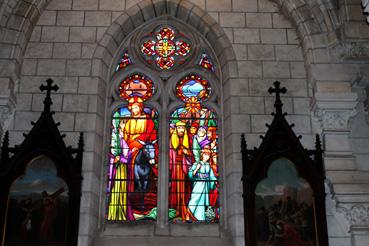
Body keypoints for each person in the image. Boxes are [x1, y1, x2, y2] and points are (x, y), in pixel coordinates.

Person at [122, 96, 158, 216]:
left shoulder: (147, 119)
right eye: (133, 108)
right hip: (130, 148)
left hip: (145, 146)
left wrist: (140, 143)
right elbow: (126, 136)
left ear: (141, 108)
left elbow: (151, 134)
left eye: (136, 107)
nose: (134, 109)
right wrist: (131, 145)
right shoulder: (129, 121)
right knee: (129, 163)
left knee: (152, 161)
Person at [108, 116, 133, 221]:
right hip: (115, 167)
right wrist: (116, 157)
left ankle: (120, 213)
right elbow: (112, 151)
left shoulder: (121, 137)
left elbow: (126, 152)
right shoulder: (113, 136)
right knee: (116, 188)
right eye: (123, 123)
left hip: (121, 166)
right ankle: (114, 214)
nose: (125, 125)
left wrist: (125, 156)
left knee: (121, 189)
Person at [169, 121, 193, 220]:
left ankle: (184, 207)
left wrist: (186, 152)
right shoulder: (171, 141)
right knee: (174, 187)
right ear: (176, 130)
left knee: (185, 187)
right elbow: (169, 154)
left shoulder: (189, 141)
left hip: (184, 169)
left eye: (182, 128)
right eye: (179, 128)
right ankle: (175, 208)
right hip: (175, 168)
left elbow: (193, 155)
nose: (181, 130)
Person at [187, 148, 217, 221]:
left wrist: (214, 181)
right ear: (202, 155)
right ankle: (188, 215)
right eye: (205, 155)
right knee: (194, 200)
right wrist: (196, 169)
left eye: (208, 155)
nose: (206, 157)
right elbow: (190, 175)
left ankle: (207, 219)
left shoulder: (208, 166)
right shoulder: (196, 164)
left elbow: (212, 176)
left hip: (205, 186)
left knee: (206, 201)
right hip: (198, 185)